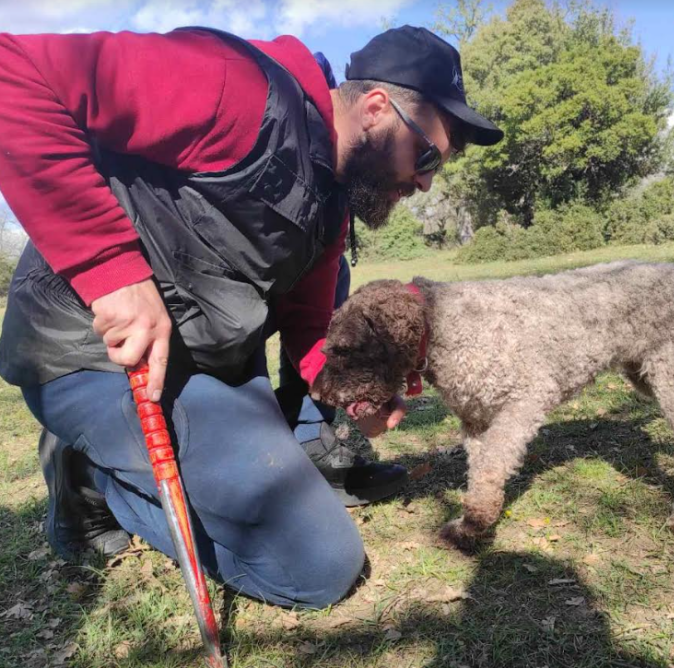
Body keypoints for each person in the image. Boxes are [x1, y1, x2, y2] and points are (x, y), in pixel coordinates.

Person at [0, 25, 503, 608]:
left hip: (205, 366)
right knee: (318, 569)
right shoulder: (233, 86)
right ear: (375, 108)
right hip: (92, 354)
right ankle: (89, 471)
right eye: (425, 155)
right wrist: (110, 270)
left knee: (310, 542)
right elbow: (16, 72)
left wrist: (356, 392)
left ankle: (147, 461)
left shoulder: (333, 201)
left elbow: (310, 327)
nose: (424, 181)